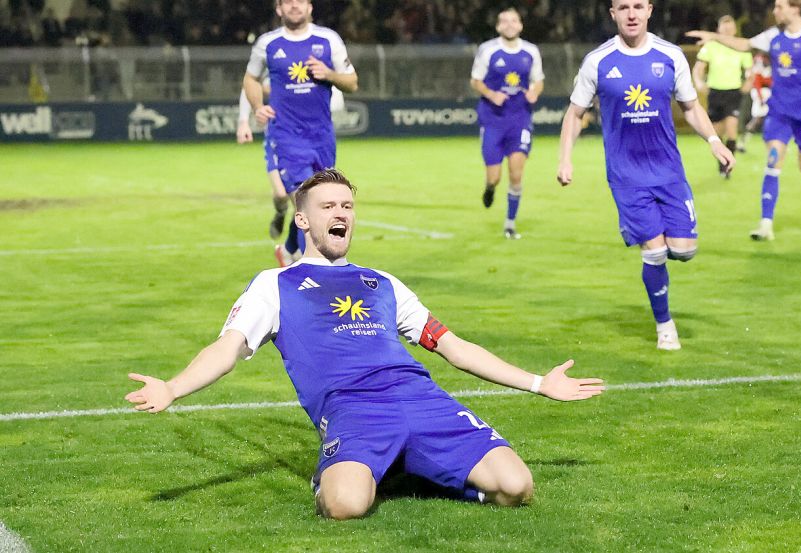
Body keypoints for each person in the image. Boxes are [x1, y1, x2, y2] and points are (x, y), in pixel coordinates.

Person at [125, 168, 605, 519]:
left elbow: (453, 347)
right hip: (353, 409)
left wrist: (540, 383)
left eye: (347, 206)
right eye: (328, 207)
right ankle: (355, 471)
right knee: (345, 506)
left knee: (517, 488)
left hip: (421, 400)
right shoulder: (275, 285)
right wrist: (173, 387)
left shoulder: (382, 283)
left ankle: (408, 467)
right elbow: (226, 350)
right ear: (303, 222)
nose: (341, 214)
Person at [557, 0, 735, 351]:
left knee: (683, 251)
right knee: (653, 252)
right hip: (627, 175)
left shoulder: (670, 56)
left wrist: (714, 141)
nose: (632, 13)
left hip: (669, 171)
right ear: (613, 14)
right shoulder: (598, 61)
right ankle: (664, 325)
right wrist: (566, 159)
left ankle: (660, 257)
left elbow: (691, 106)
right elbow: (575, 114)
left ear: (650, 10)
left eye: (638, 6)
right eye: (623, 7)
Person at [687, 0, 801, 242]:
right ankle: (765, 224)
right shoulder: (773, 35)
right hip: (779, 112)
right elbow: (744, 44)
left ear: (795, 8)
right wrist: (713, 36)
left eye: (779, 6)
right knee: (773, 162)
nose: (774, 11)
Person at [243, 0, 358, 266]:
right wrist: (258, 107)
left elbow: (352, 82)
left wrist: (329, 74)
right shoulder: (268, 44)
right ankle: (318, 267)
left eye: (300, 1)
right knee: (310, 199)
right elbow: (251, 78)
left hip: (322, 136)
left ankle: (289, 248)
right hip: (287, 135)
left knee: (313, 198)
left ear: (310, 7)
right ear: (279, 9)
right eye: (288, 2)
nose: (294, 6)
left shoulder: (329, 40)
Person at [237, 76, 347, 241]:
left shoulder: (314, 71)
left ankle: (291, 252)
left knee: (304, 204)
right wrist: (244, 121)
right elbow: (249, 85)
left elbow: (337, 101)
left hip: (310, 142)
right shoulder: (272, 61)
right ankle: (281, 213)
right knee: (283, 195)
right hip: (278, 140)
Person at [470, 7, 544, 239]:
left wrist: (535, 93)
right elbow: (475, 81)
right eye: (504, 21)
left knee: (516, 175)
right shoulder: (488, 50)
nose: (509, 24)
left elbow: (538, 80)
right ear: (498, 26)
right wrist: (492, 95)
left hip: (520, 119)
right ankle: (490, 188)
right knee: (495, 177)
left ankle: (510, 224)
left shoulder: (531, 51)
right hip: (492, 120)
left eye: (514, 20)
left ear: (520, 25)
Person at [691, 15, 753, 176]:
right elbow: (698, 68)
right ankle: (722, 161)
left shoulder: (740, 46)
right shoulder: (711, 46)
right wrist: (698, 82)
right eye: (724, 27)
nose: (727, 30)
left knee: (732, 128)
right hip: (715, 92)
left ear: (734, 29)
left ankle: (727, 168)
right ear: (719, 29)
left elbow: (750, 71)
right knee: (717, 132)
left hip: (733, 92)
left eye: (730, 27)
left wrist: (748, 81)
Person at [739, 52, 772, 151]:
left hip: (765, 92)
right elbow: (757, 80)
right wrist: (760, 97)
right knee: (757, 118)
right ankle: (742, 142)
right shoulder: (760, 61)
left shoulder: (766, 62)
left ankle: (774, 142)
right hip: (761, 93)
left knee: (761, 118)